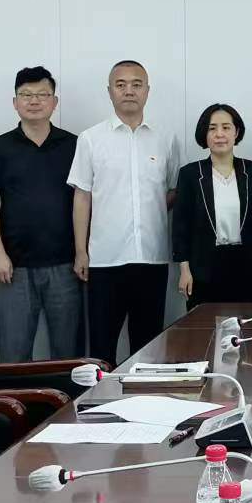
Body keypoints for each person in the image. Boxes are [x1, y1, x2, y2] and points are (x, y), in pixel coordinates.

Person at [69, 60, 180, 362]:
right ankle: (100, 394)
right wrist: (81, 251)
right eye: (121, 85)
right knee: (101, 347)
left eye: (136, 84)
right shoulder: (90, 139)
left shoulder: (165, 138)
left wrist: (148, 213)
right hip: (105, 260)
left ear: (147, 91)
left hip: (152, 258)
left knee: (148, 347)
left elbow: (172, 190)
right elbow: (82, 197)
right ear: (109, 91)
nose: (129, 91)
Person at [0, 67, 82, 360]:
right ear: (15, 102)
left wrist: (82, 253)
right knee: (13, 355)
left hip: (66, 266)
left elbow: (85, 200)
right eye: (26, 95)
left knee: (68, 355)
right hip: (13, 268)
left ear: (54, 102)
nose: (34, 101)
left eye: (42, 95)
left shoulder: (74, 145)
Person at [172, 103, 252, 305]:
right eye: (212, 128)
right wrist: (184, 270)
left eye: (226, 127)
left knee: (245, 322)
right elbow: (181, 225)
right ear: (204, 134)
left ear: (236, 132)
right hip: (203, 267)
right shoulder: (190, 174)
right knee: (204, 323)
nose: (219, 134)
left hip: (245, 265)